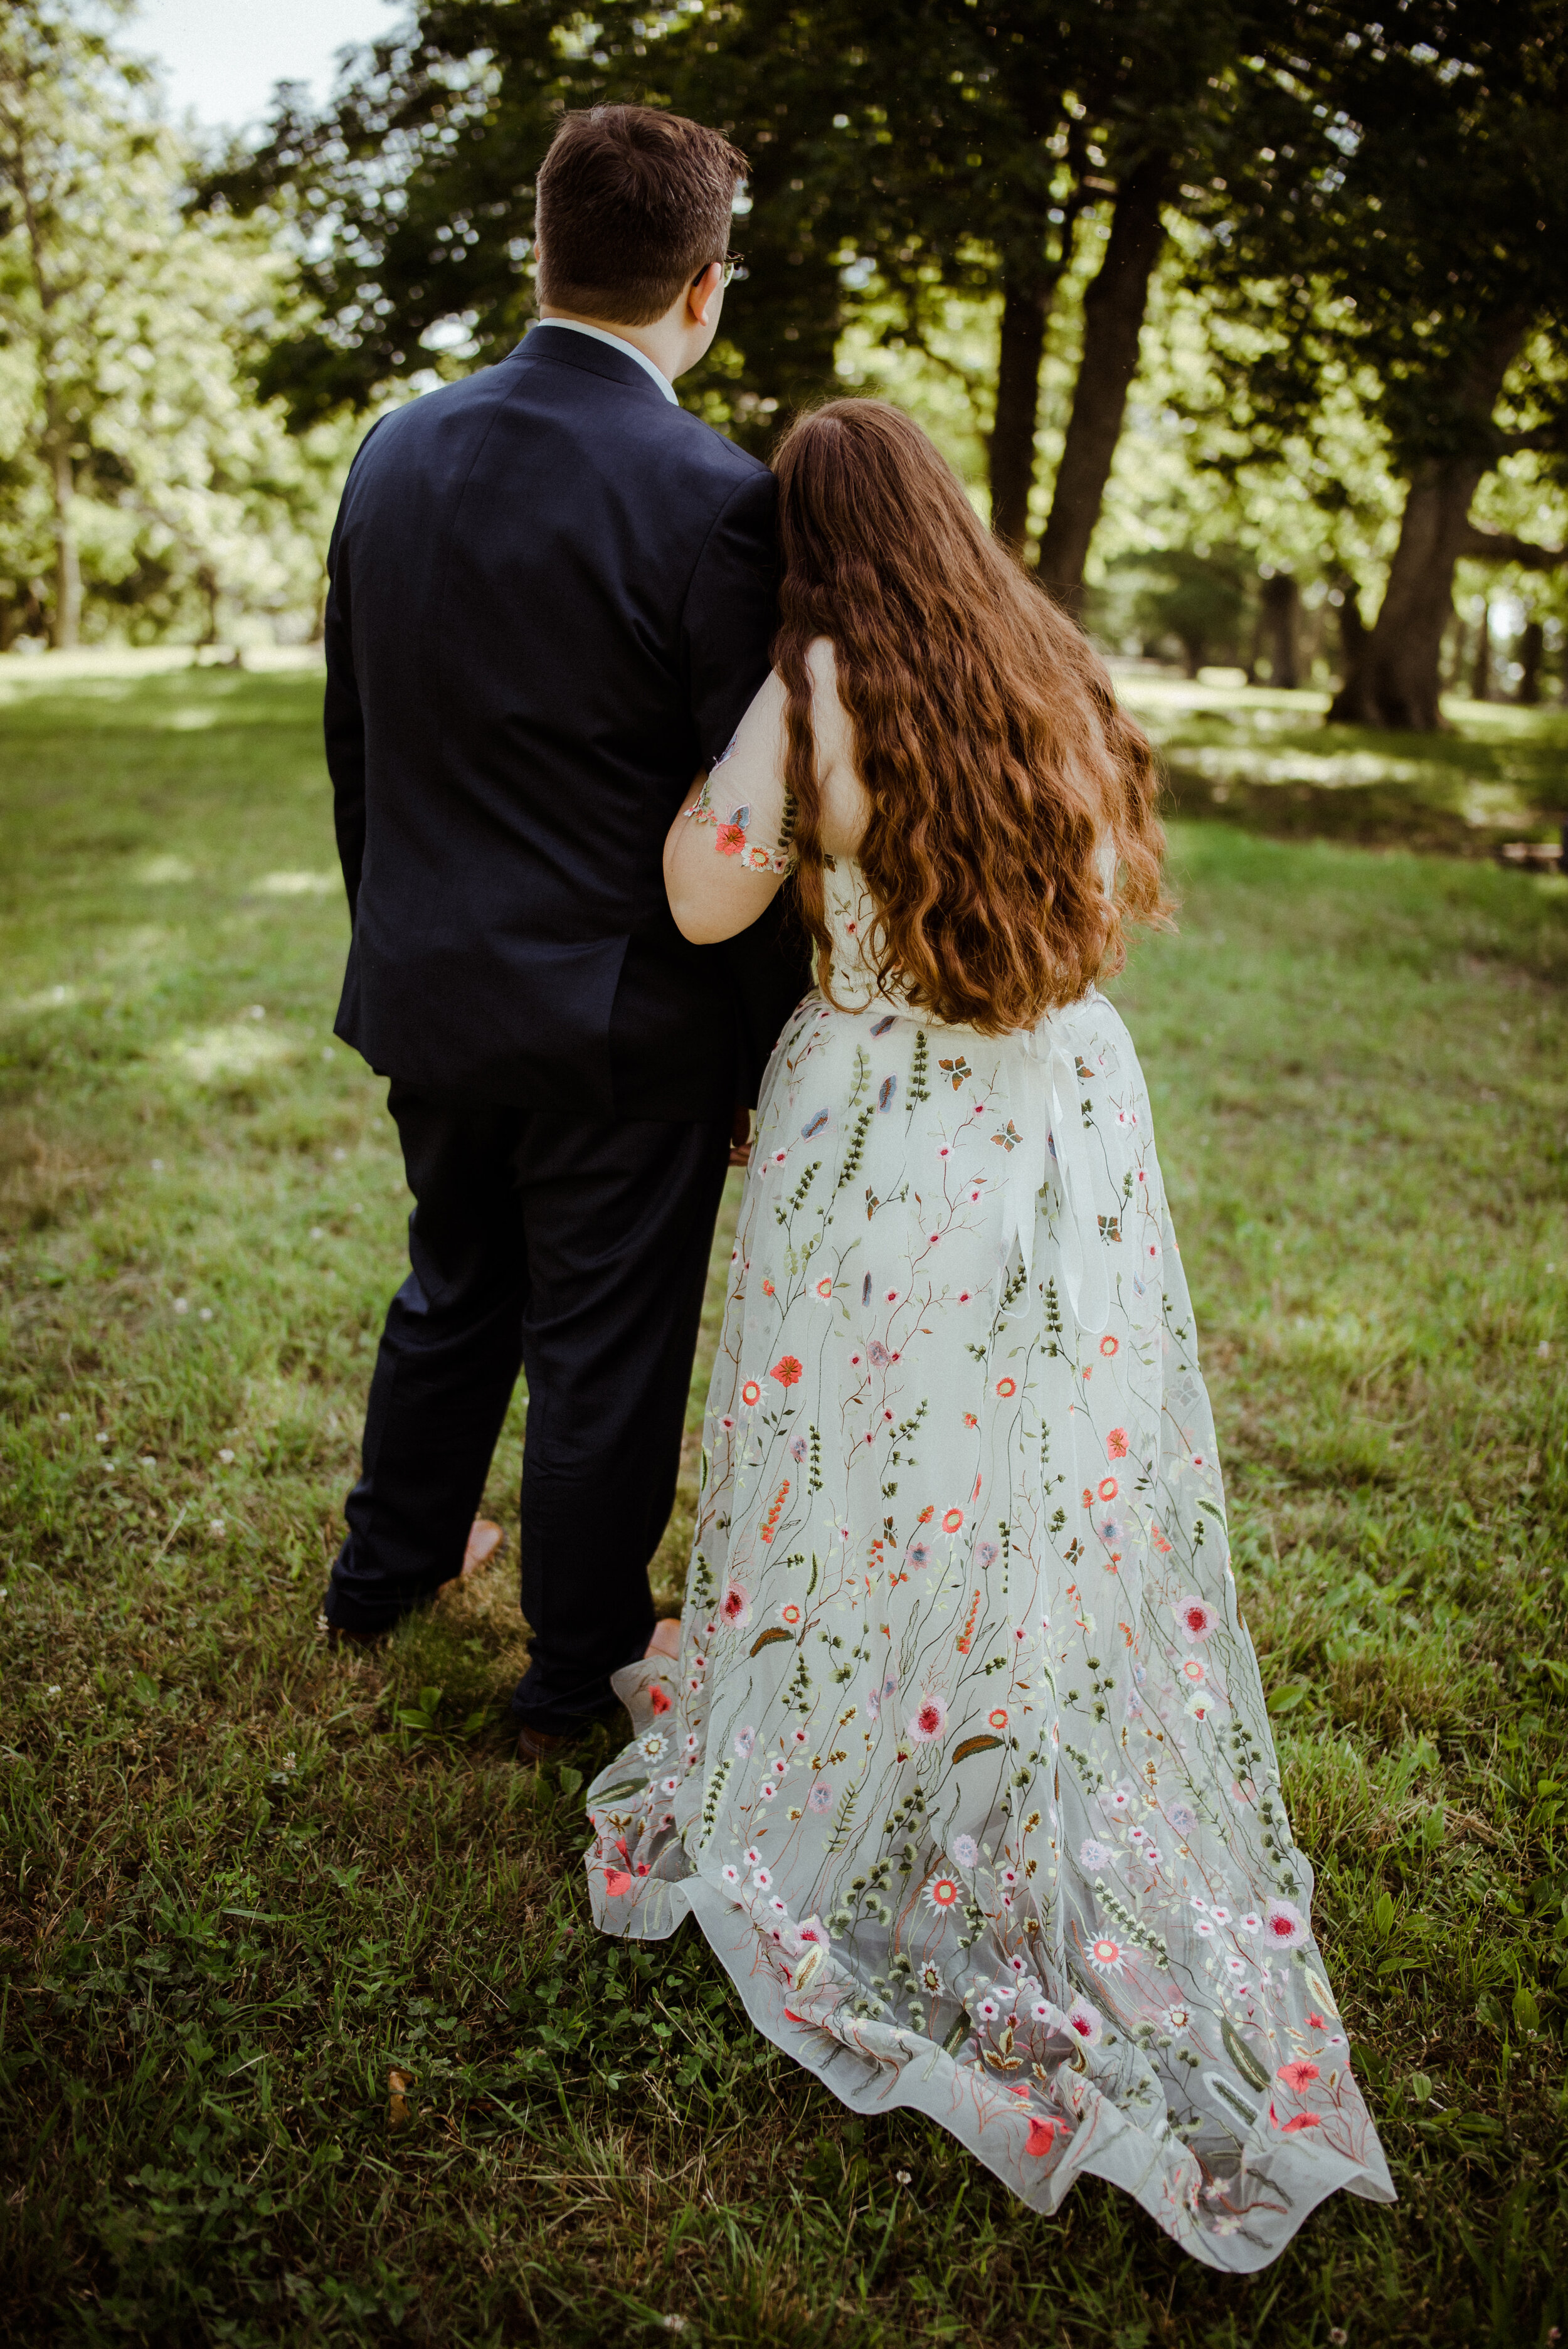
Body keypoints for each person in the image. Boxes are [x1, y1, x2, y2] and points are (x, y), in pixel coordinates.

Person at [583, 400, 1394, 2268]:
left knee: (860, 1446)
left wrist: (793, 835)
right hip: (1048, 1116)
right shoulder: (1046, 658)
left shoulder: (811, 687)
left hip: (873, 1132)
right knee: (1027, 1453)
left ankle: (857, 1737)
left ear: (801, 541)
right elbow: (1097, 902)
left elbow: (700, 889)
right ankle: (998, 1736)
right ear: (943, 514)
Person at [318, 105, 808, 1759]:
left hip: (428, 975)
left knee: (453, 1280)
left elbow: (356, 744)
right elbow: (738, 817)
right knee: (601, 1344)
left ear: (544, 249)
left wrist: (391, 933)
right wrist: (762, 1051)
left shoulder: (394, 447)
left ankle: (383, 1567)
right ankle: (577, 1657)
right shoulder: (718, 496)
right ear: (703, 284)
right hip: (620, 1020)